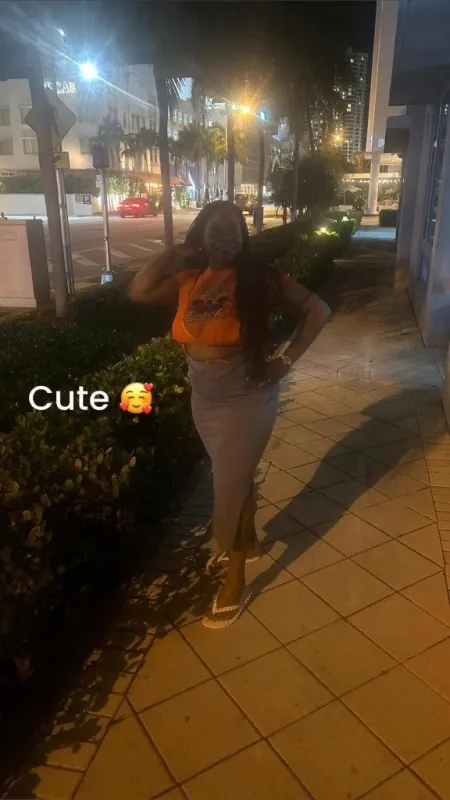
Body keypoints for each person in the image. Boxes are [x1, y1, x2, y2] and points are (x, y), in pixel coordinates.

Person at [128, 201, 330, 629]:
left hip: (246, 398)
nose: (226, 237)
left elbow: (319, 310)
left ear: (243, 236)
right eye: (215, 229)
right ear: (201, 237)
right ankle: (249, 542)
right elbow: (139, 291)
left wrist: (285, 362)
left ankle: (235, 582)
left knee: (228, 488)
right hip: (204, 399)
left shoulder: (261, 279)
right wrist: (174, 254)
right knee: (235, 477)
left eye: (233, 229)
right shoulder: (188, 280)